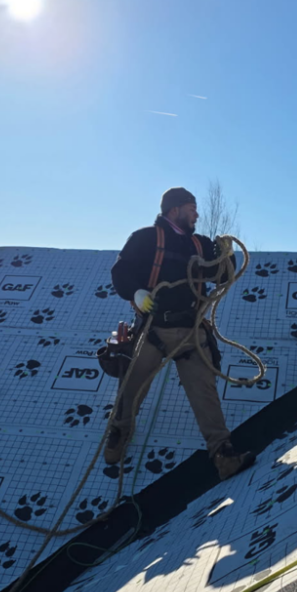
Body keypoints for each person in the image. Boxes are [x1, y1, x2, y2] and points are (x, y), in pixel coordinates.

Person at [107, 187, 256, 481]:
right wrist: (136, 293)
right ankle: (120, 431)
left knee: (205, 394)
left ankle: (223, 455)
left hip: (191, 331)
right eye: (192, 209)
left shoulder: (200, 245)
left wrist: (227, 255)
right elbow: (120, 272)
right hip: (153, 329)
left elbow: (223, 275)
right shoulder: (145, 239)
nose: (197, 214)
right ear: (174, 211)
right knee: (132, 385)